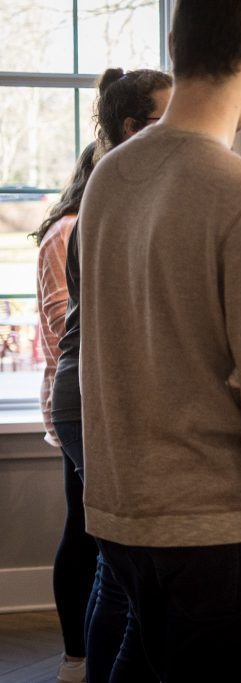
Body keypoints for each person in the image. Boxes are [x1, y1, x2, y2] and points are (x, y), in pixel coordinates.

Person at [76, 2, 241, 680]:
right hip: (218, 532)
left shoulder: (107, 179)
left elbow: (99, 357)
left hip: (121, 514)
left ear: (176, 45)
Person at [49, 66, 172, 683]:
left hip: (88, 393)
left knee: (113, 565)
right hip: (92, 395)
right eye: (166, 118)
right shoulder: (117, 192)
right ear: (133, 127)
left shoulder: (118, 187)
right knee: (128, 573)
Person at [34, 142, 96, 683]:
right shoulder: (70, 231)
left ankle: (83, 655)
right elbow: (63, 329)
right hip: (82, 404)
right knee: (85, 531)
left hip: (89, 403)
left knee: (85, 526)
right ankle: (76, 655)